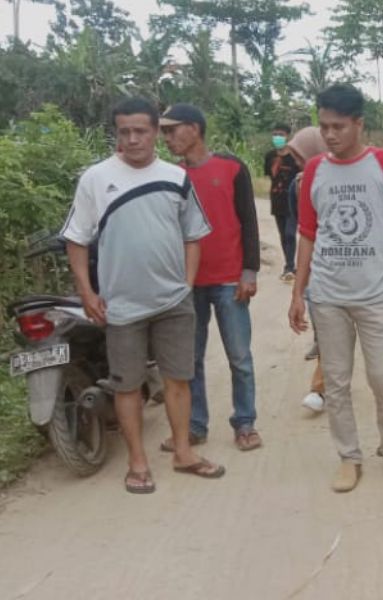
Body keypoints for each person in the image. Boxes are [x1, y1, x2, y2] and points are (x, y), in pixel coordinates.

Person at [61, 97, 226, 494]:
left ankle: (184, 452)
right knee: (128, 385)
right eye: (124, 132)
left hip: (173, 303)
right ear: (116, 134)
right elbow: (76, 241)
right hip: (122, 306)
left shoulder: (176, 176)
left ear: (155, 132)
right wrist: (87, 292)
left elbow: (193, 235)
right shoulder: (96, 179)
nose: (133, 139)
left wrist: (186, 284)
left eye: (141, 131)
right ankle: (138, 462)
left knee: (179, 380)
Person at [288, 83, 383, 493]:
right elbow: (307, 234)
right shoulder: (315, 170)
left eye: (338, 126)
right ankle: (349, 456)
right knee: (335, 380)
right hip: (327, 295)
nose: (330, 135)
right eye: (324, 126)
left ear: (358, 124)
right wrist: (298, 292)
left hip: (374, 294)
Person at [160, 103, 262, 452]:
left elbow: (249, 220)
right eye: (164, 131)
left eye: (172, 129)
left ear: (194, 128)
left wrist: (249, 271)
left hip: (230, 280)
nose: (167, 137)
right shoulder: (171, 175)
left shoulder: (232, 168)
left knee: (239, 356)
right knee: (190, 359)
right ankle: (195, 425)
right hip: (188, 283)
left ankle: (245, 423)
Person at [286, 126, 328, 413]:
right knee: (326, 325)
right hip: (320, 264)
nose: (300, 165)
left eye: (302, 158)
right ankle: (321, 386)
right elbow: (303, 229)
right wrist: (299, 285)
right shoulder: (300, 184)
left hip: (351, 266)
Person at [264, 123, 300, 281]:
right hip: (276, 200)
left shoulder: (294, 156)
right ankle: (289, 264)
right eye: (274, 134)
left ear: (287, 136)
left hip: (292, 201)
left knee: (290, 233)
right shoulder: (270, 156)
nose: (277, 137)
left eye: (280, 134)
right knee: (283, 235)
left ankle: (290, 266)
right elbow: (269, 176)